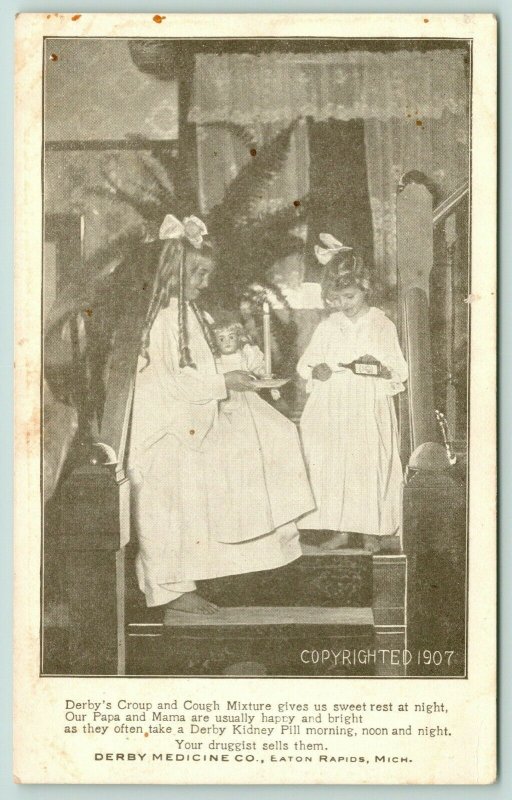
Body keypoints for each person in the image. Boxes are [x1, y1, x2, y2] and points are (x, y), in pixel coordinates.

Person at [128, 214, 314, 617]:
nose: (204, 282)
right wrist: (225, 382)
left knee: (274, 430)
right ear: (171, 270)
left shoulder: (189, 310)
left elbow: (200, 364)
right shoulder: (162, 317)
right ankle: (170, 588)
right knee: (176, 501)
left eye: (207, 274)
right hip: (164, 428)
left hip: (188, 415)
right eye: (196, 273)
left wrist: (235, 365)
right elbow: (177, 381)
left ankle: (280, 532)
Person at [296, 235, 408, 553]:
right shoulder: (329, 326)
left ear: (365, 287)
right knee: (334, 463)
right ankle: (342, 527)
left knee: (365, 463)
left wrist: (381, 368)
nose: (344, 304)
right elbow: (305, 364)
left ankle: (370, 529)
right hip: (332, 404)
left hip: (366, 403)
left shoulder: (380, 324)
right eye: (337, 299)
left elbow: (398, 369)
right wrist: (316, 369)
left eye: (349, 296)